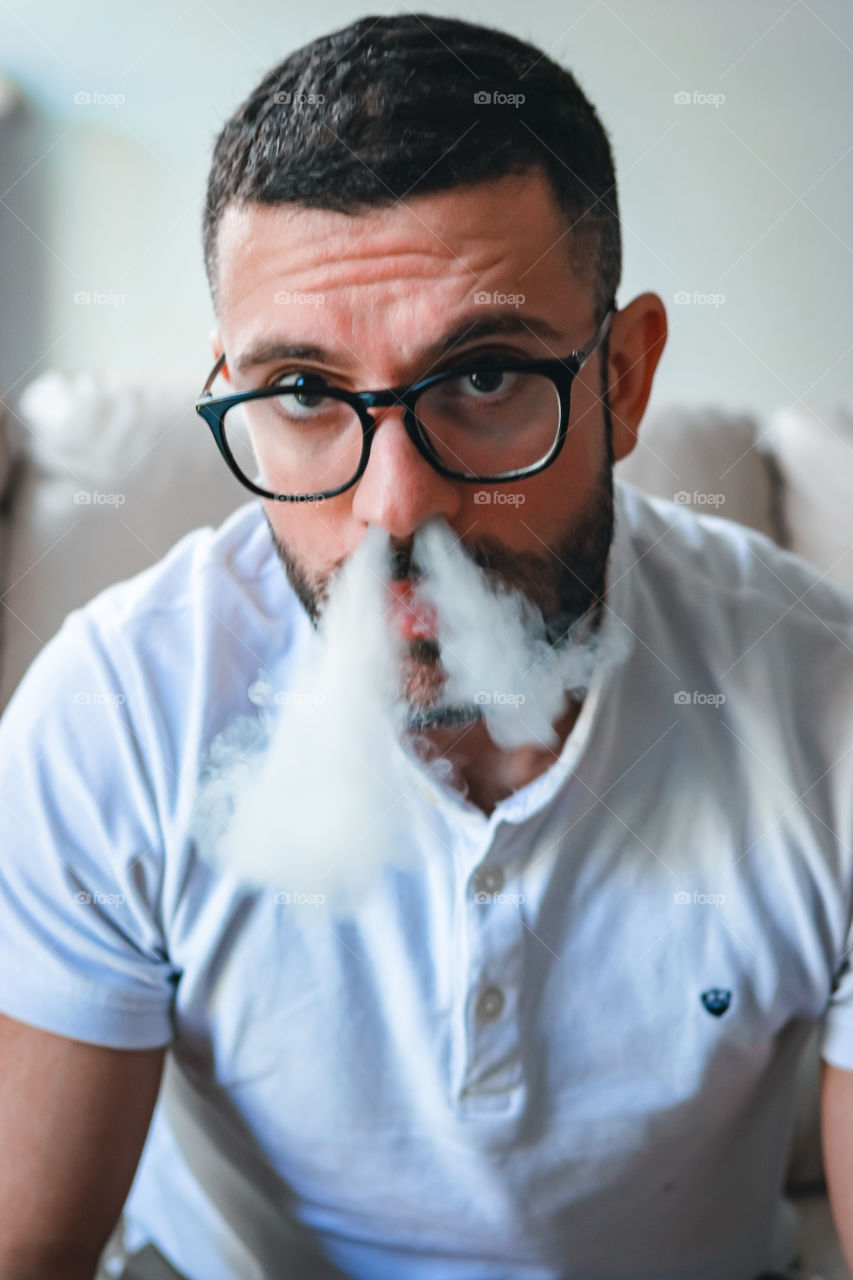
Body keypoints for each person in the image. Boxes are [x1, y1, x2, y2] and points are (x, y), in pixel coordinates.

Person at [0, 13, 852, 1280]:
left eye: (488, 376)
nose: (394, 504)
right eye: (302, 394)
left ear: (621, 377)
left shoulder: (821, 705)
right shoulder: (115, 711)